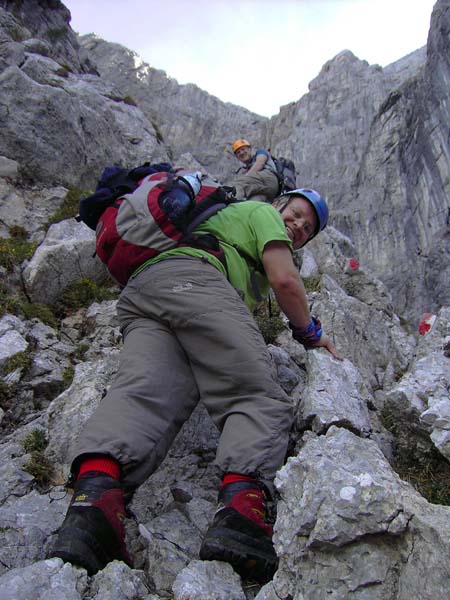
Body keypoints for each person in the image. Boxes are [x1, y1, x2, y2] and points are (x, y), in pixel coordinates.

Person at [50, 186, 341, 583]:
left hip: (145, 291)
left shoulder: (224, 226)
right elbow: (286, 281)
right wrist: (310, 334)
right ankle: (242, 515)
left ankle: (92, 512)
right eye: (295, 214)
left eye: (306, 228)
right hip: (195, 280)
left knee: (144, 395)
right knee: (255, 394)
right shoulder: (261, 213)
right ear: (279, 205)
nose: (297, 226)